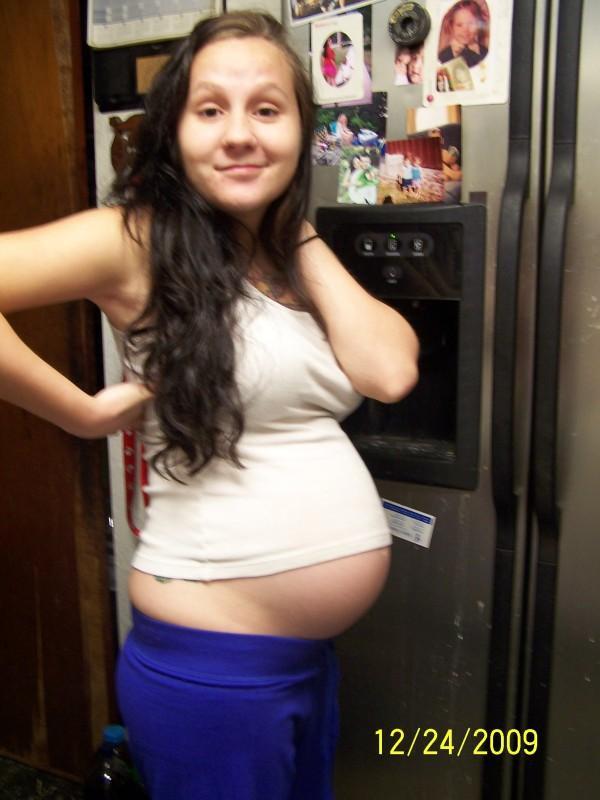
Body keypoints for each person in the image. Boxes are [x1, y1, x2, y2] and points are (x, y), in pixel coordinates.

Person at [0, 11, 418, 800]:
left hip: (302, 665)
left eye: (267, 109)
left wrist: (292, 229)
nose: (239, 135)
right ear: (174, 129)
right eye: (210, 109)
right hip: (213, 674)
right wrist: (80, 415)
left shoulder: (283, 254)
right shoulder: (136, 240)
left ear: (302, 130)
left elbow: (390, 371)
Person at [438, 0, 489, 69]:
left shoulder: (485, 53)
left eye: (471, 24)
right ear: (451, 27)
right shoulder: (443, 56)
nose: (465, 30)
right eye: (459, 25)